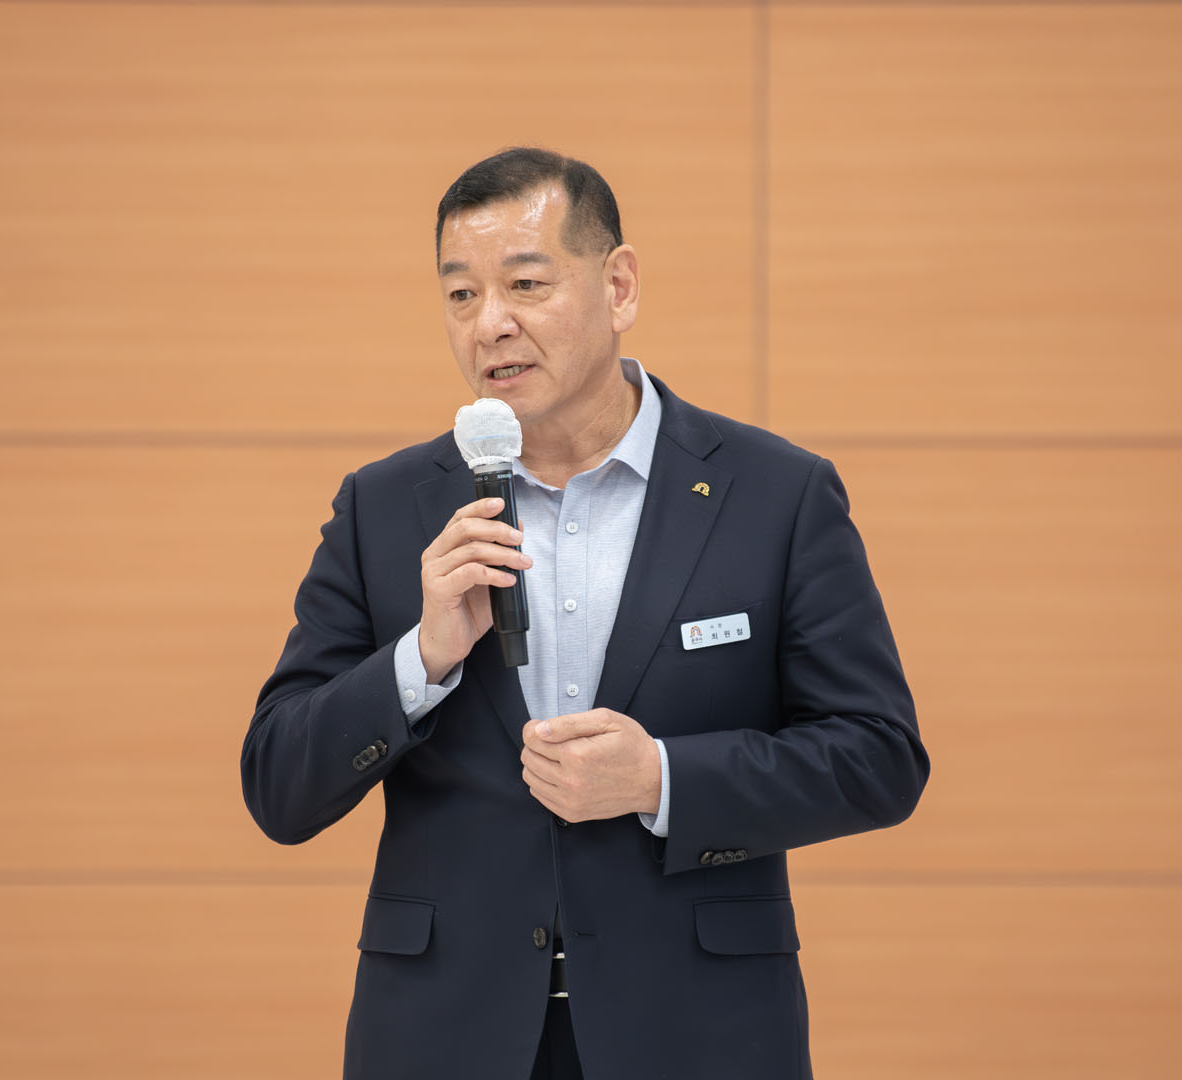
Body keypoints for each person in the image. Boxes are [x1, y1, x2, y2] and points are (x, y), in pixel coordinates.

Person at [241, 147, 929, 1080]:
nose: (491, 324)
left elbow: (879, 759)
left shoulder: (776, 494)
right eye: (460, 295)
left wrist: (660, 779)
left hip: (699, 1036)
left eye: (526, 284)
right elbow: (278, 787)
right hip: (444, 1038)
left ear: (619, 286)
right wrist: (420, 660)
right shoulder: (386, 507)